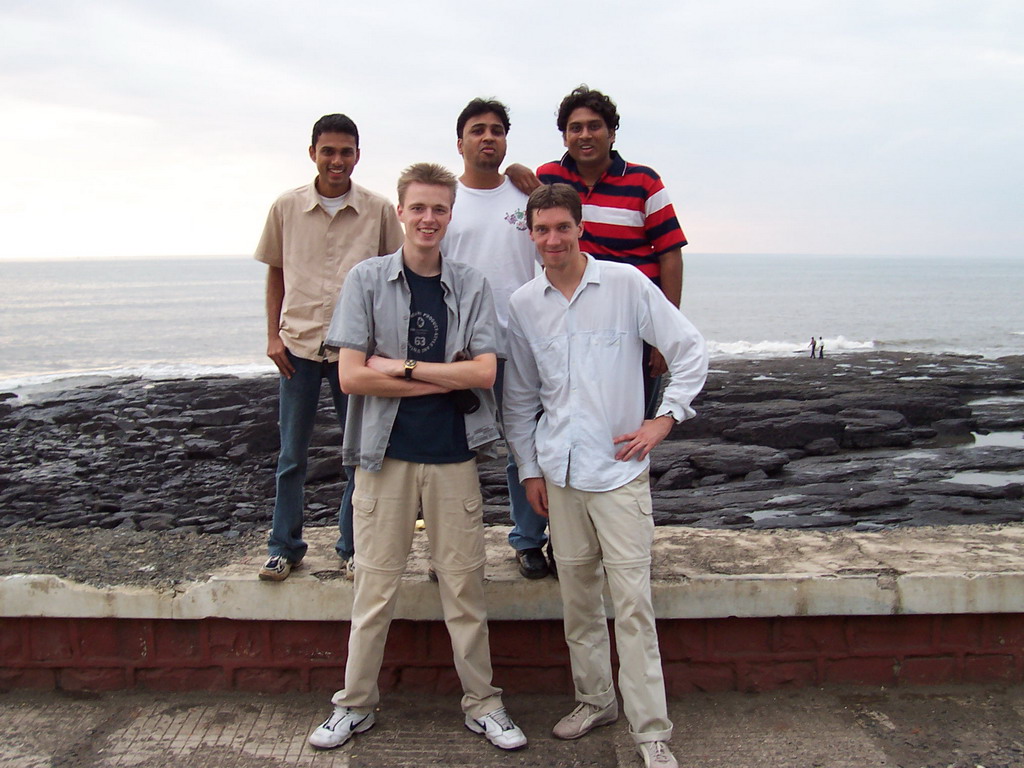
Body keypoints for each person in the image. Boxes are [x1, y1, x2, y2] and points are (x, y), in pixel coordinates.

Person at [307, 163, 527, 753]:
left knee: (465, 589)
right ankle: (354, 705)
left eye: (439, 209)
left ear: (450, 216)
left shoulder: (472, 283)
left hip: (455, 456)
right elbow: (352, 378)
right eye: (419, 208)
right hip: (384, 458)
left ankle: (484, 704)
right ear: (401, 212)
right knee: (374, 589)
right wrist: (443, 379)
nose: (429, 219)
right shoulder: (367, 280)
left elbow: (484, 372)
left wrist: (400, 367)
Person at [503, 184, 708, 768]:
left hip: (618, 473)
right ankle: (596, 700)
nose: (552, 239)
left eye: (562, 227)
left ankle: (650, 731)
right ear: (532, 234)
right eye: (541, 229)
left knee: (633, 604)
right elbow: (518, 399)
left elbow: (689, 348)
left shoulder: (624, 285)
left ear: (579, 228)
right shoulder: (523, 304)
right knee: (579, 603)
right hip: (560, 476)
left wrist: (663, 419)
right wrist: (529, 469)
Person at [254, 114, 404, 582]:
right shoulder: (286, 207)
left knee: (358, 455)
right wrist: (272, 336)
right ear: (313, 153)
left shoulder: (379, 211)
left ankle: (351, 546)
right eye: (328, 151)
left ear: (358, 155)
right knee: (291, 456)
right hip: (297, 346)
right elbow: (275, 272)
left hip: (354, 353)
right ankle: (284, 547)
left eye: (345, 151)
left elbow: (393, 276)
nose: (336, 160)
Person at [441, 98, 551, 580]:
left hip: (522, 345)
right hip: (458, 351)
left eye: (498, 130)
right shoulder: (446, 200)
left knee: (524, 448)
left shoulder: (526, 197)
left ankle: (528, 540)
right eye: (478, 130)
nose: (489, 137)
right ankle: (452, 552)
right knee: (452, 453)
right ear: (460, 141)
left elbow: (552, 250)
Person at [536, 86, 687, 419]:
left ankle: (630, 474)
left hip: (636, 325)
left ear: (612, 133)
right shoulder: (548, 177)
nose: (585, 135)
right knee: (573, 416)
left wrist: (665, 333)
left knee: (630, 421)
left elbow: (670, 255)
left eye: (594, 126)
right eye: (575, 128)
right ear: (564, 137)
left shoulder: (644, 181)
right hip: (573, 323)